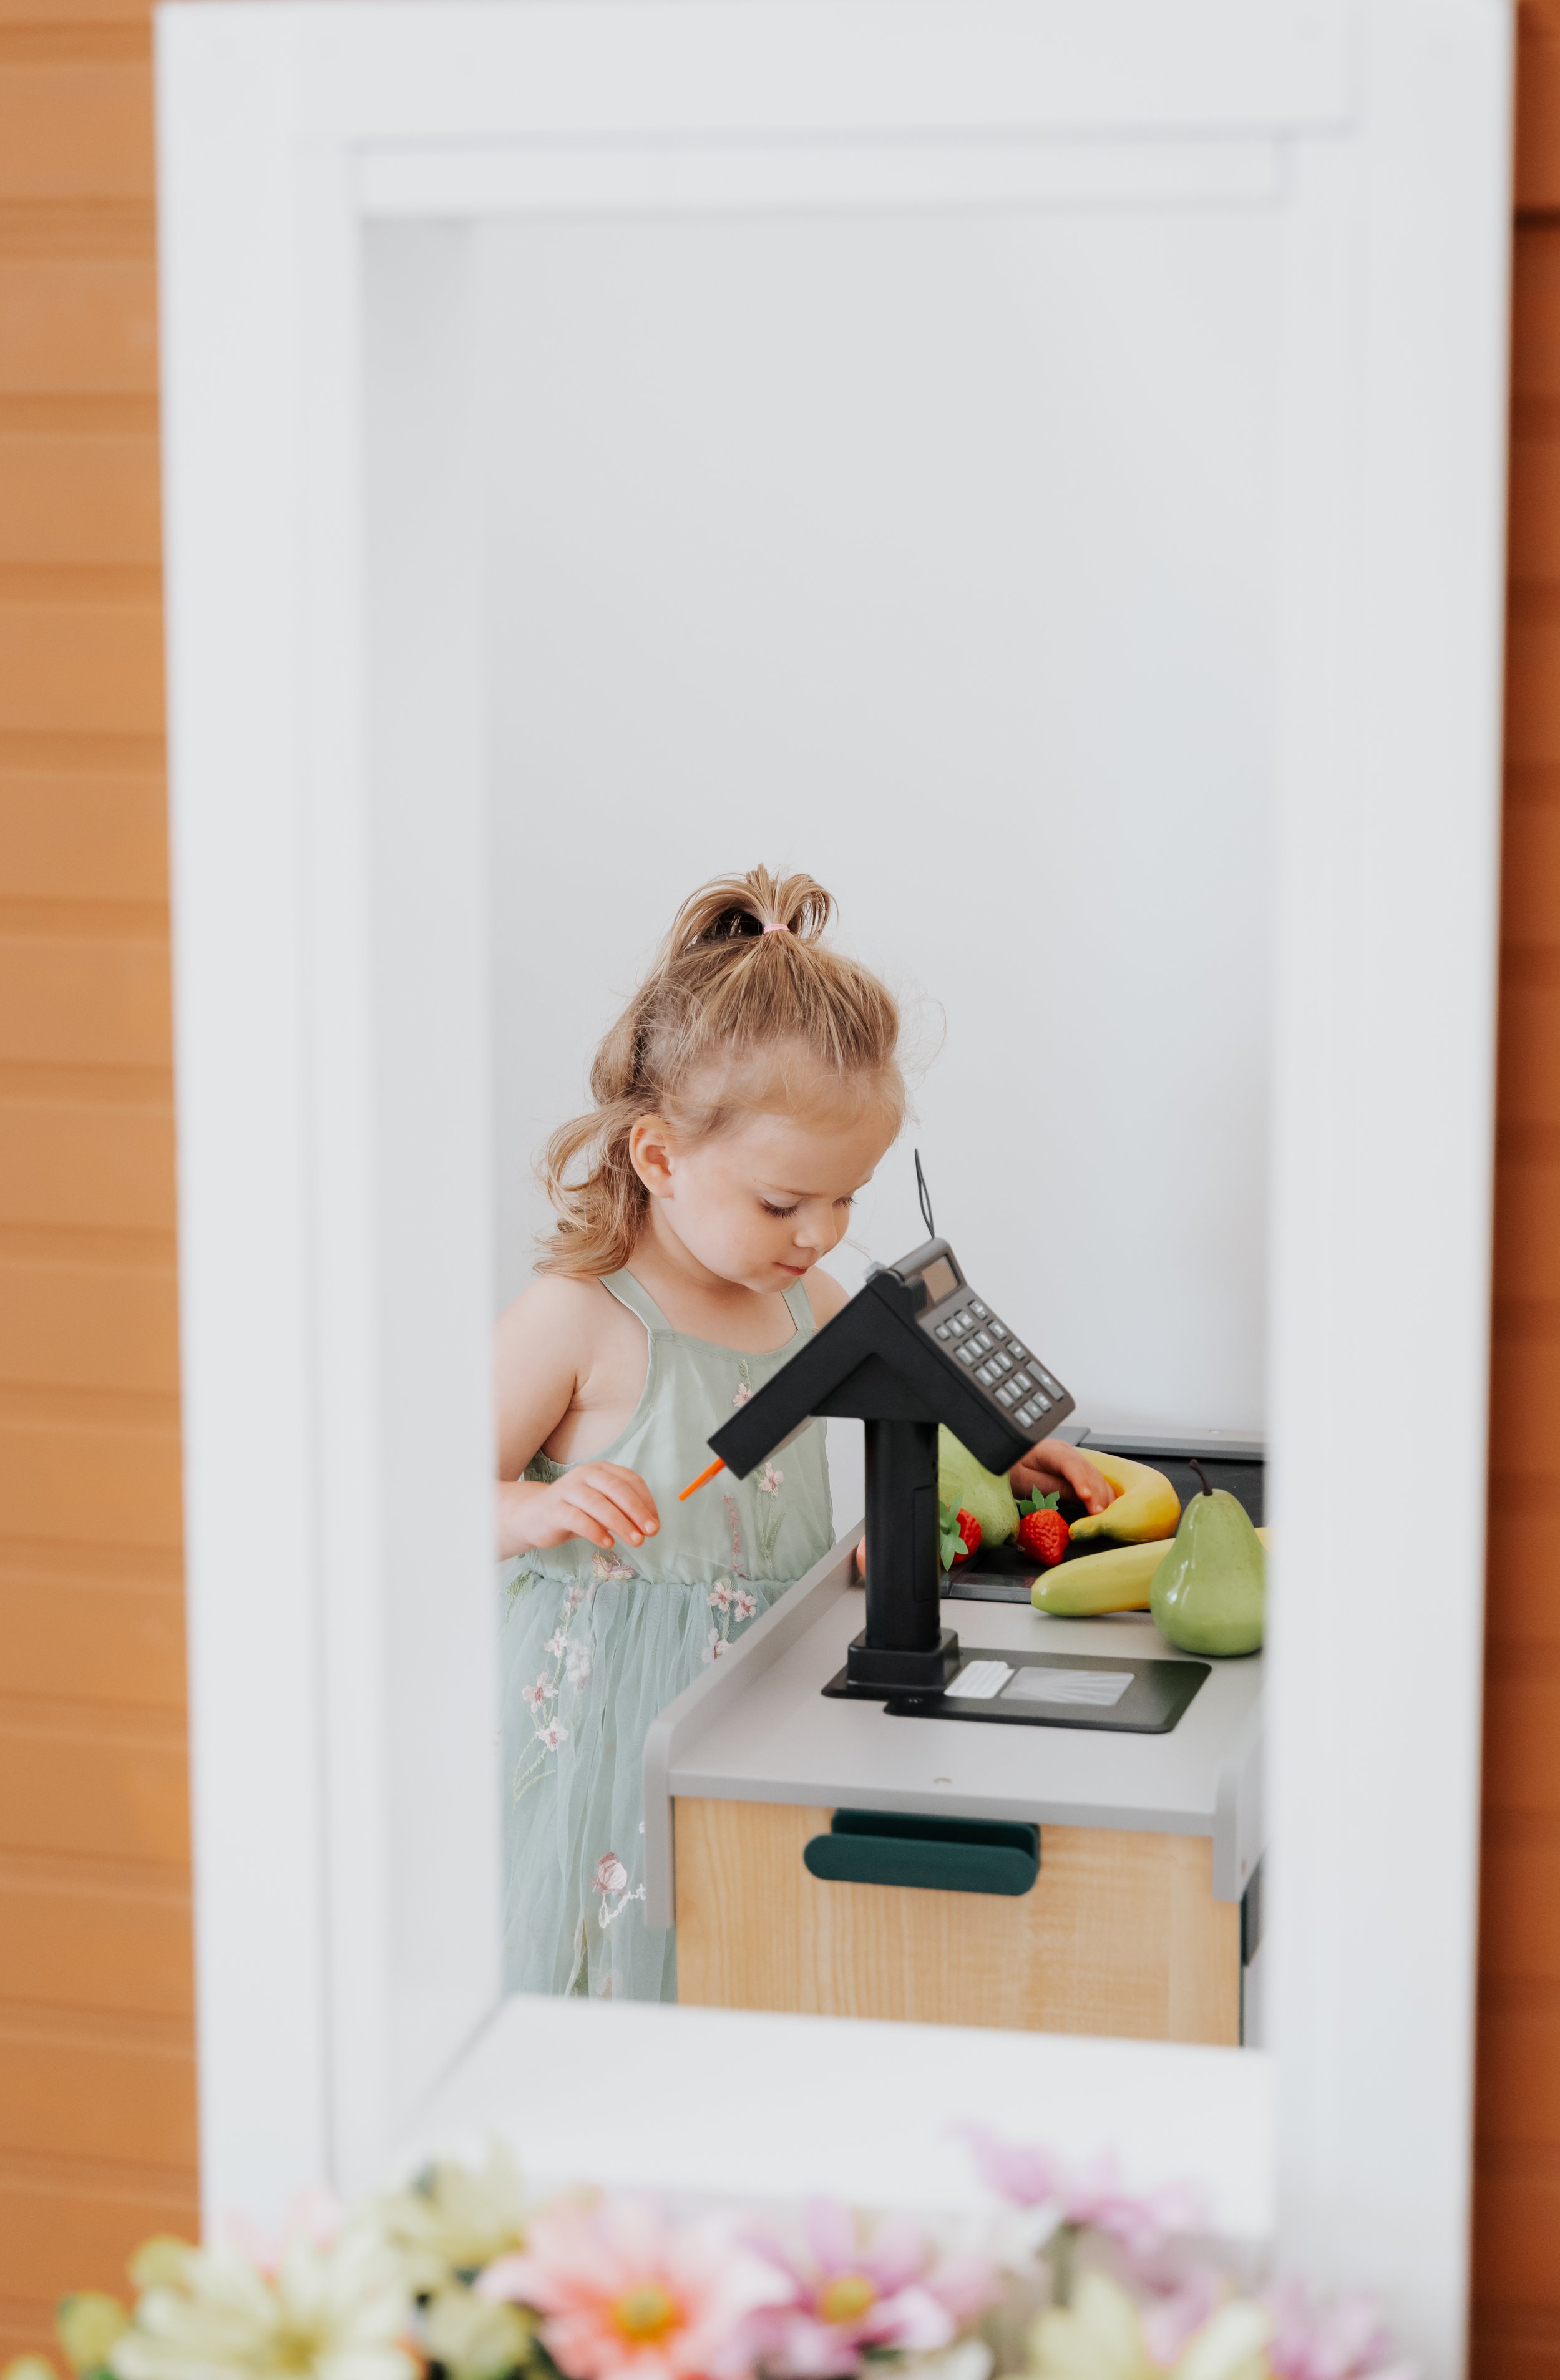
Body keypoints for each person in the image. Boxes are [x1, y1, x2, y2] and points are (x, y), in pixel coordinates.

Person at [494, 866, 1114, 1999]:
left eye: (848, 1197)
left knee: (754, 1953)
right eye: (785, 1203)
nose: (820, 1233)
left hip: (773, 1691)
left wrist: (1008, 1451)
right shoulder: (576, 1318)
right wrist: (529, 1507)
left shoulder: (805, 1300)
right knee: (619, 1974)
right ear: (660, 1158)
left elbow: (907, 1386)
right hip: (613, 1728)